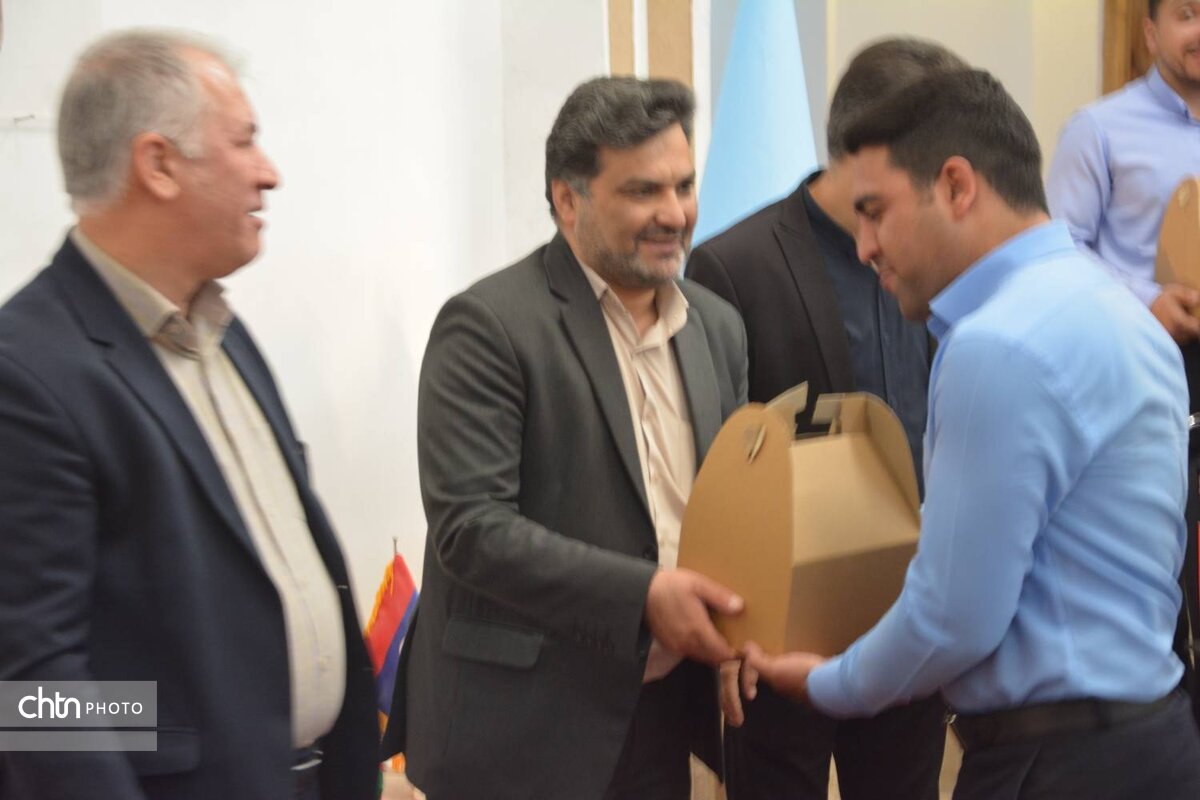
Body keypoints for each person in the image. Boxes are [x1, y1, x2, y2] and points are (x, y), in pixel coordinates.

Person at [740, 68, 1200, 799]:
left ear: (957, 186)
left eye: (875, 212)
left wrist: (829, 683)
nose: (863, 247)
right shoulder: (1119, 309)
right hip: (1153, 739)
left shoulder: (998, 343)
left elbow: (953, 619)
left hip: (1056, 763)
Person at [0, 30, 377, 800]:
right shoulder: (28, 372)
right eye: (244, 141)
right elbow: (33, 686)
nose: (269, 173)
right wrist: (157, 744)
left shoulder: (224, 335)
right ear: (159, 164)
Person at [382, 76, 748, 800]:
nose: (674, 213)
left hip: (661, 714)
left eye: (684, 186)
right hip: (521, 727)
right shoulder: (488, 326)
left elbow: (732, 506)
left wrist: (740, 629)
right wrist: (644, 595)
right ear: (567, 200)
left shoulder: (718, 327)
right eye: (643, 191)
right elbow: (472, 529)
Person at [686, 38, 965, 800]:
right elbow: (717, 470)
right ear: (866, 149)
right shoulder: (734, 264)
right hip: (781, 635)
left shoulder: (945, 257)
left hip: (912, 618)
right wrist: (732, 633)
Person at [1046, 0, 1200, 716]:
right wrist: (1146, 301)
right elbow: (1056, 250)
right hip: (1146, 371)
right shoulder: (1099, 129)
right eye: (1187, 14)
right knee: (1162, 564)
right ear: (1150, 30)